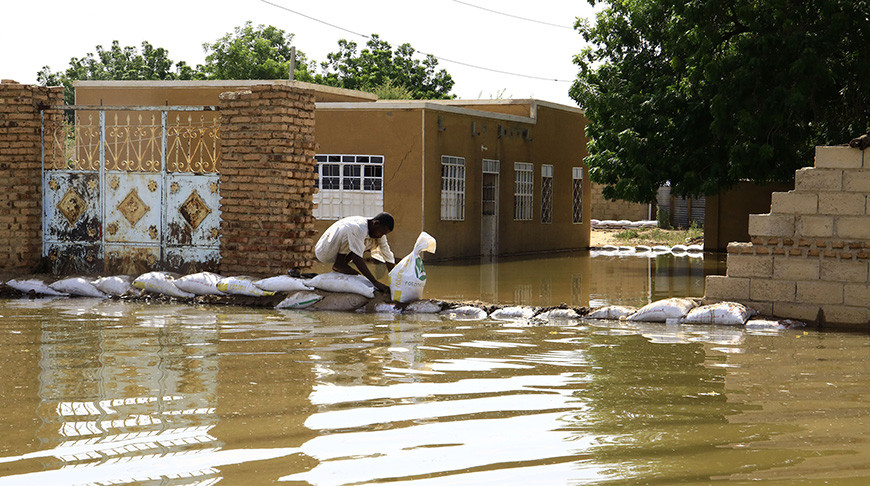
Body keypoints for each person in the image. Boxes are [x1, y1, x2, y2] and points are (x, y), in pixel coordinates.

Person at [314, 213, 396, 293]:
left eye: (383, 234)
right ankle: (339, 264)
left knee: (370, 242)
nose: (381, 236)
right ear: (375, 223)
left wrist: (395, 281)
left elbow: (387, 254)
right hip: (325, 250)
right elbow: (357, 258)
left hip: (336, 249)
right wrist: (375, 282)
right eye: (381, 232)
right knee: (352, 234)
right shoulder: (358, 227)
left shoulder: (377, 231)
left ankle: (343, 263)